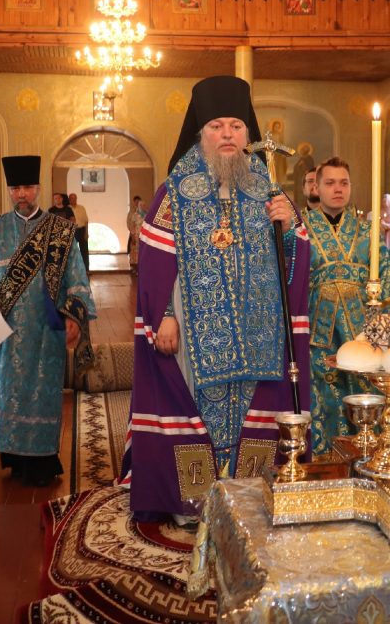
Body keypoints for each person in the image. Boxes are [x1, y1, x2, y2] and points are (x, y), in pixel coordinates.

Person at [121, 75, 311, 522]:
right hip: (193, 336)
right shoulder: (175, 190)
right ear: (200, 133)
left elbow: (297, 267)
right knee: (197, 414)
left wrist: (290, 230)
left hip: (259, 336)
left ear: (248, 134)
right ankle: (194, 504)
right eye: (216, 126)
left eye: (236, 126)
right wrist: (164, 315)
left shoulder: (269, 189)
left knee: (251, 415)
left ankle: (248, 498)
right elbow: (156, 260)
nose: (227, 134)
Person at [0, 156, 95, 488]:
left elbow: (76, 277)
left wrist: (74, 316)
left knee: (44, 394)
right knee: (8, 393)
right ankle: (14, 458)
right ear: (9, 190)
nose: (22, 194)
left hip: (46, 331)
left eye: (28, 187)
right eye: (15, 188)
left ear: (38, 188)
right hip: (6, 331)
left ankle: (43, 461)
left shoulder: (61, 231)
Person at [305, 157, 390, 455]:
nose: (338, 189)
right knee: (323, 398)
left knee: (363, 394)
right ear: (317, 188)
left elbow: (387, 283)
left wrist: (389, 329)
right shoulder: (300, 230)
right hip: (317, 333)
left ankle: (368, 458)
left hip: (363, 332)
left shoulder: (368, 231)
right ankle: (325, 461)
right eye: (330, 183)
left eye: (343, 183)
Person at [69, 193, 90, 271]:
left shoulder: (81, 208)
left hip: (82, 230)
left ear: (76, 199)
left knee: (84, 250)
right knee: (72, 251)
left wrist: (86, 232)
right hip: (72, 231)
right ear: (69, 199)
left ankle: (86, 269)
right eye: (71, 198)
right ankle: (73, 270)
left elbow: (86, 221)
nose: (73, 200)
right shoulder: (67, 209)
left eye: (74, 198)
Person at [126, 195, 145, 273]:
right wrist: (132, 234)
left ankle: (142, 268)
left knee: (142, 252)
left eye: (139, 203)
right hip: (135, 234)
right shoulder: (132, 213)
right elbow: (130, 223)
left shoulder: (146, 213)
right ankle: (134, 268)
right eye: (136, 202)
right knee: (134, 252)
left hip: (143, 236)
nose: (138, 204)